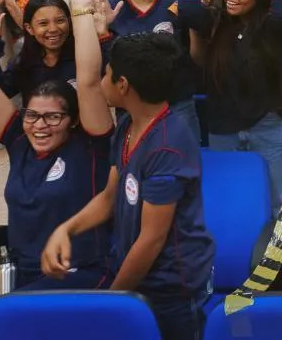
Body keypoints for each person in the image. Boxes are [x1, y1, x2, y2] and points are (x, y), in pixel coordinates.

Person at [41, 30, 214, 340]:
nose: (102, 79)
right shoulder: (128, 125)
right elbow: (110, 197)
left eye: (106, 73)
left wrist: (112, 301)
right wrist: (65, 229)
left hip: (172, 289)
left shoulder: (167, 146)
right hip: (136, 274)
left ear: (123, 84)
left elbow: (151, 240)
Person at [0, 0, 114, 325]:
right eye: (32, 115)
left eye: (53, 117)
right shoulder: (19, 140)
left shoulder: (91, 143)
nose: (40, 125)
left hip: (77, 272)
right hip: (20, 270)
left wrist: (80, 11)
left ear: (73, 120)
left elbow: (89, 80)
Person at [178, 0, 282, 217]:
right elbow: (187, 8)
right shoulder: (217, 22)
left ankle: (278, 248)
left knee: (279, 201)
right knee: (230, 199)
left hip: (266, 125)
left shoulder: (271, 28)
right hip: (224, 126)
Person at [109, 0, 200, 141]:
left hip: (177, 102)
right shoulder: (111, 9)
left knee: (184, 155)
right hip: (131, 106)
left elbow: (195, 54)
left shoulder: (177, 3)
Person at [0, 0, 115, 99]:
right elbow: (0, 92)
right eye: (43, 23)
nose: (53, 29)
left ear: (69, 22)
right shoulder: (23, 63)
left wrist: (103, 35)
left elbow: (114, 85)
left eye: (60, 21)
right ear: (29, 28)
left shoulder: (84, 56)